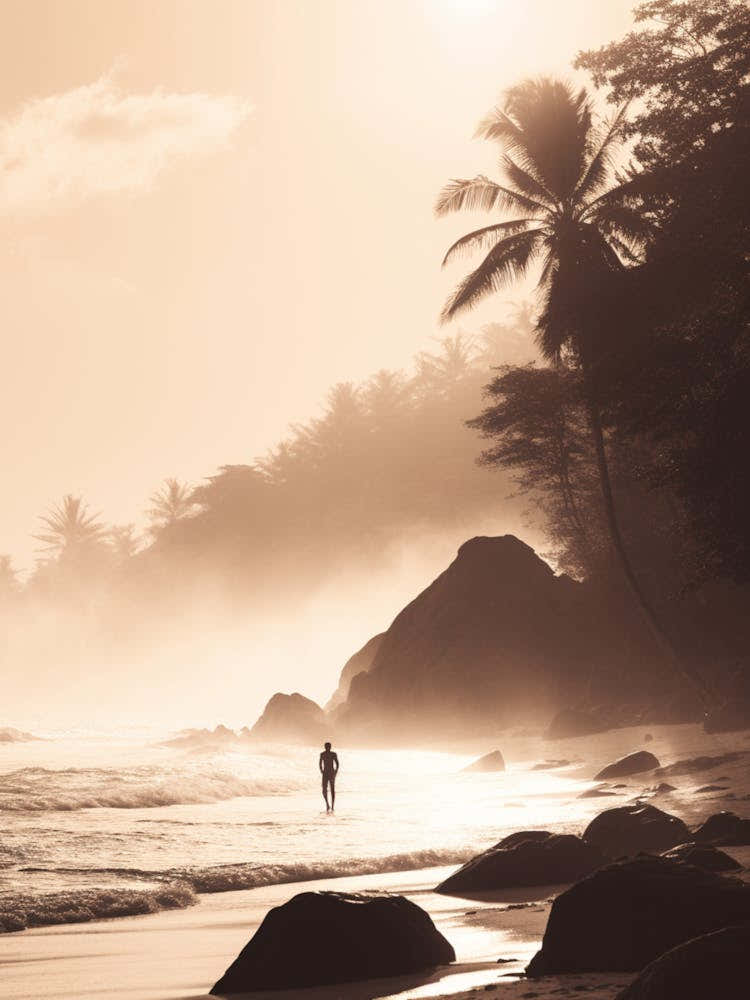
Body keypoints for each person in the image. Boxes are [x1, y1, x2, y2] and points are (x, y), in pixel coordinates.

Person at [319, 741, 339, 813]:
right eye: (326, 747)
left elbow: (337, 763)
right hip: (325, 773)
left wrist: (335, 772)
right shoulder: (322, 754)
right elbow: (320, 763)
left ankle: (333, 806)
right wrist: (321, 770)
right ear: (325, 747)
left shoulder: (333, 754)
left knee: (332, 790)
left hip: (331, 773)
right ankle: (327, 804)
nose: (327, 748)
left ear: (330, 747)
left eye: (328, 747)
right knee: (324, 790)